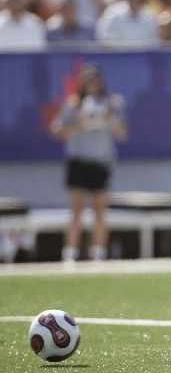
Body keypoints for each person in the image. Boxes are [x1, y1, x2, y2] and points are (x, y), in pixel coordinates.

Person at [50, 64, 128, 261]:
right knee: (76, 209)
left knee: (100, 210)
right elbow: (56, 130)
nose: (92, 85)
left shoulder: (110, 104)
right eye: (88, 81)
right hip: (79, 161)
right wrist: (80, 122)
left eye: (95, 81)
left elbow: (122, 135)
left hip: (100, 161)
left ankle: (99, 252)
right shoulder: (74, 104)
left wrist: (109, 118)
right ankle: (70, 252)